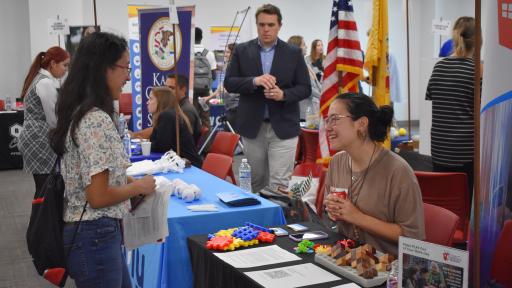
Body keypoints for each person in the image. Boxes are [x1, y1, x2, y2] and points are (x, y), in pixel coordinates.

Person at [49, 32, 156, 287]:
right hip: (94, 235)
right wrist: (138, 187)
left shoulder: (82, 113)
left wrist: (126, 181)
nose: (128, 77)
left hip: (93, 235)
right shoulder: (95, 119)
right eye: (125, 68)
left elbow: (94, 176)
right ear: (103, 70)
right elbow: (98, 196)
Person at [224, 4, 311, 194]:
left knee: (279, 184)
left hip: (284, 126)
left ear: (279, 25)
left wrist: (284, 95)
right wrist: (254, 81)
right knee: (256, 182)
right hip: (253, 128)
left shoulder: (293, 53)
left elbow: (305, 88)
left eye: (270, 25)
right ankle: (259, 222)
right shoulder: (242, 50)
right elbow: (229, 83)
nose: (266, 29)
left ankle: (278, 222)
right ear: (256, 25)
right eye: (261, 24)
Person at [324, 93, 425, 256]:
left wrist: (357, 217)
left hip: (384, 269)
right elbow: (332, 217)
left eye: (335, 119)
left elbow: (412, 237)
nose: (327, 127)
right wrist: (334, 210)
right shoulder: (337, 163)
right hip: (346, 259)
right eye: (327, 120)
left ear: (362, 124)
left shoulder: (398, 171)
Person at [426, 16, 479, 193]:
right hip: (466, 154)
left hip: (440, 151)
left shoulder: (439, 67)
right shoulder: (476, 70)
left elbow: (434, 99)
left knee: (444, 198)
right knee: (465, 199)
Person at [18, 46, 70, 197]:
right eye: (64, 65)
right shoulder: (45, 83)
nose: (66, 70)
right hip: (39, 140)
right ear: (53, 63)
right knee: (45, 191)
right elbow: (54, 120)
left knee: (43, 189)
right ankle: (43, 221)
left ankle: (41, 221)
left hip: (34, 138)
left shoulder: (38, 79)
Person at [149, 86, 203, 167]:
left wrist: (143, 146)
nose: (147, 102)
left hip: (188, 165)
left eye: (151, 99)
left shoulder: (167, 115)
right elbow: (155, 141)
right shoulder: (169, 114)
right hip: (182, 162)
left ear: (160, 101)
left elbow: (161, 146)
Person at [287, 35, 322, 121]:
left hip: (314, 109)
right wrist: (322, 96)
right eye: (303, 45)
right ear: (296, 47)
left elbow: (315, 83)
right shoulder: (293, 65)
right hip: (303, 112)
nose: (306, 47)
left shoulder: (306, 63)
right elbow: (306, 88)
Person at [165, 74, 202, 141]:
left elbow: (183, 139)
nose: (167, 91)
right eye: (166, 88)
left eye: (171, 88)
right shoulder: (178, 106)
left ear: (183, 89)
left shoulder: (186, 110)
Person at [193, 27, 218, 129]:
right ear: (202, 37)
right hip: (205, 91)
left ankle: (193, 143)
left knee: (191, 118)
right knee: (205, 119)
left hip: (191, 91)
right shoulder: (209, 53)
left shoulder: (187, 52)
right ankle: (206, 143)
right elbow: (214, 75)